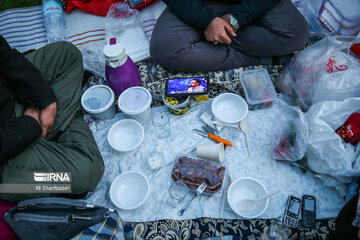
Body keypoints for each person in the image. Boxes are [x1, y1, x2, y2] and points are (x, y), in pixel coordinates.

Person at [0, 35, 104, 201]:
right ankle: (67, 117)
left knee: (67, 54)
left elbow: (3, 55)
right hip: (4, 159)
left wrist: (44, 100)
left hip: (9, 101)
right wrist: (30, 125)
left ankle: (52, 132)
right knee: (87, 171)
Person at [150, 0, 309, 72]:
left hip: (250, 3)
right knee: (164, 50)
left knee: (297, 34)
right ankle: (257, 58)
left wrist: (237, 18)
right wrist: (205, 21)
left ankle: (214, 37)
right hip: (199, 3)